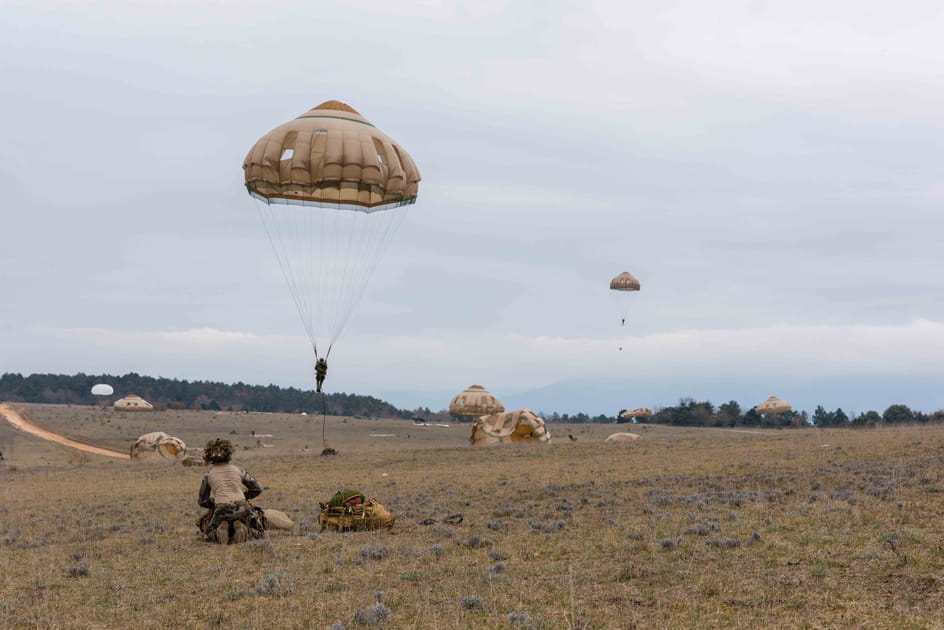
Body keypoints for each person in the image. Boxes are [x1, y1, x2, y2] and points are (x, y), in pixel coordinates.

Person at [197, 438, 264, 544]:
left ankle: (219, 531)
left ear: (209, 456)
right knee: (257, 530)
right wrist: (245, 496)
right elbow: (258, 488)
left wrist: (214, 503)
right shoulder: (238, 470)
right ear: (229, 454)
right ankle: (243, 528)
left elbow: (202, 500)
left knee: (208, 534)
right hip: (241, 505)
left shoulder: (208, 474)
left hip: (221, 508)